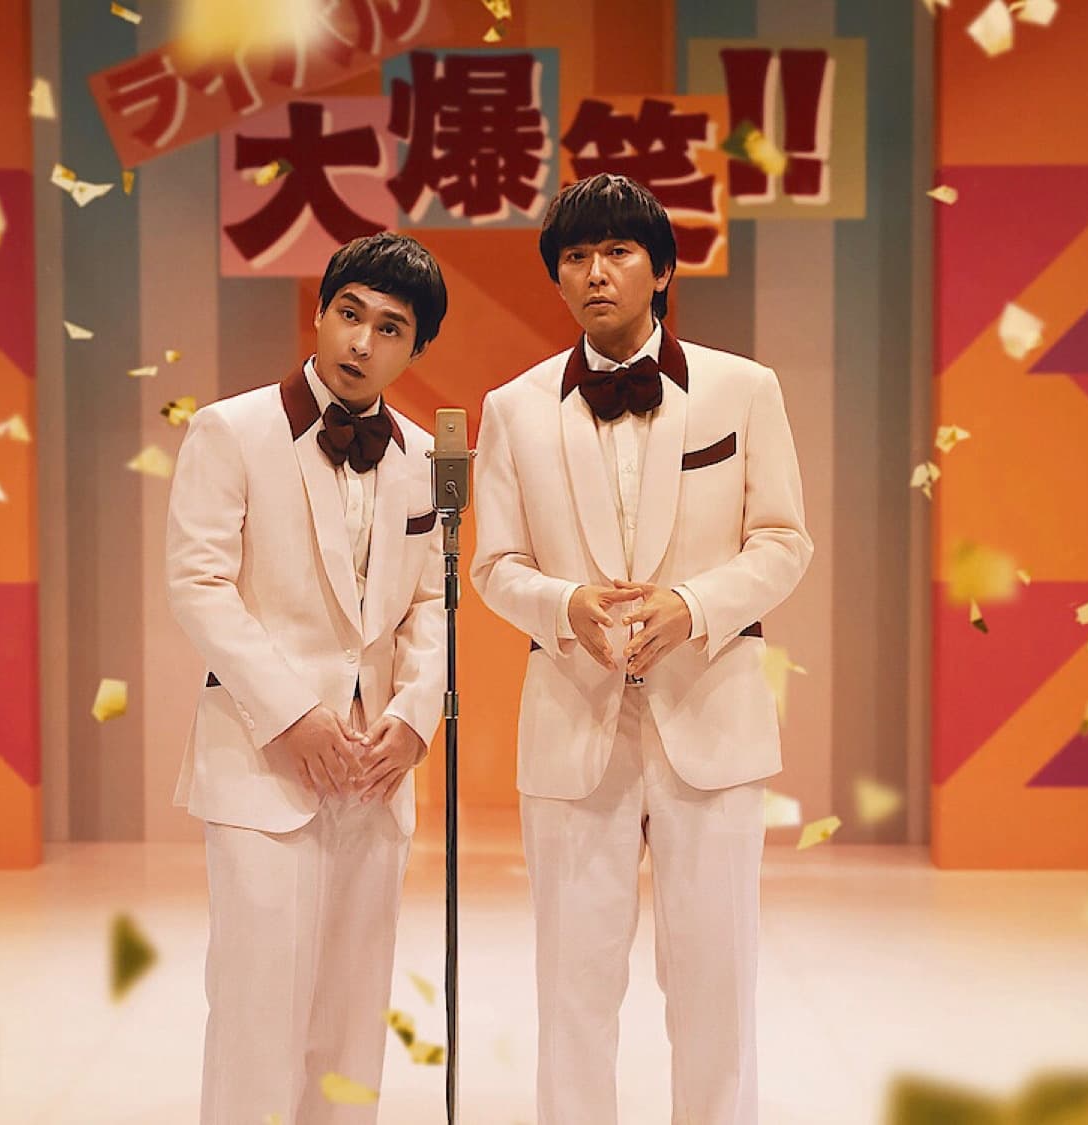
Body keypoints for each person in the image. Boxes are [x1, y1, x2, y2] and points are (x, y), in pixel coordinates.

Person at [470, 174, 812, 1125]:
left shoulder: (745, 389)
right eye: (576, 256)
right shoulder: (513, 407)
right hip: (574, 720)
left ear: (662, 271)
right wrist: (564, 603)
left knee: (715, 979)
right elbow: (494, 565)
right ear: (557, 276)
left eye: (618, 252)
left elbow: (784, 541)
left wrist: (693, 605)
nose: (596, 272)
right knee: (573, 982)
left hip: (713, 715)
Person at [167, 232, 449, 1124]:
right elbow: (199, 585)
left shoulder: (421, 454)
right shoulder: (230, 430)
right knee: (255, 1011)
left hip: (375, 772)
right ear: (320, 312)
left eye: (390, 328)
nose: (362, 342)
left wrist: (415, 719)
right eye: (349, 314)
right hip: (263, 764)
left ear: (414, 347)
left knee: (351, 1019)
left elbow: (433, 603)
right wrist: (292, 714)